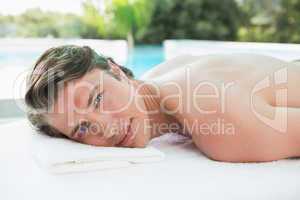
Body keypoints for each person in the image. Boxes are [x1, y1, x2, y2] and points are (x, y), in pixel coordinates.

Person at [25, 45, 300, 163]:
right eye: (82, 128)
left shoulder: (216, 119)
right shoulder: (154, 82)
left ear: (117, 71)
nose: (105, 128)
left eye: (97, 99)